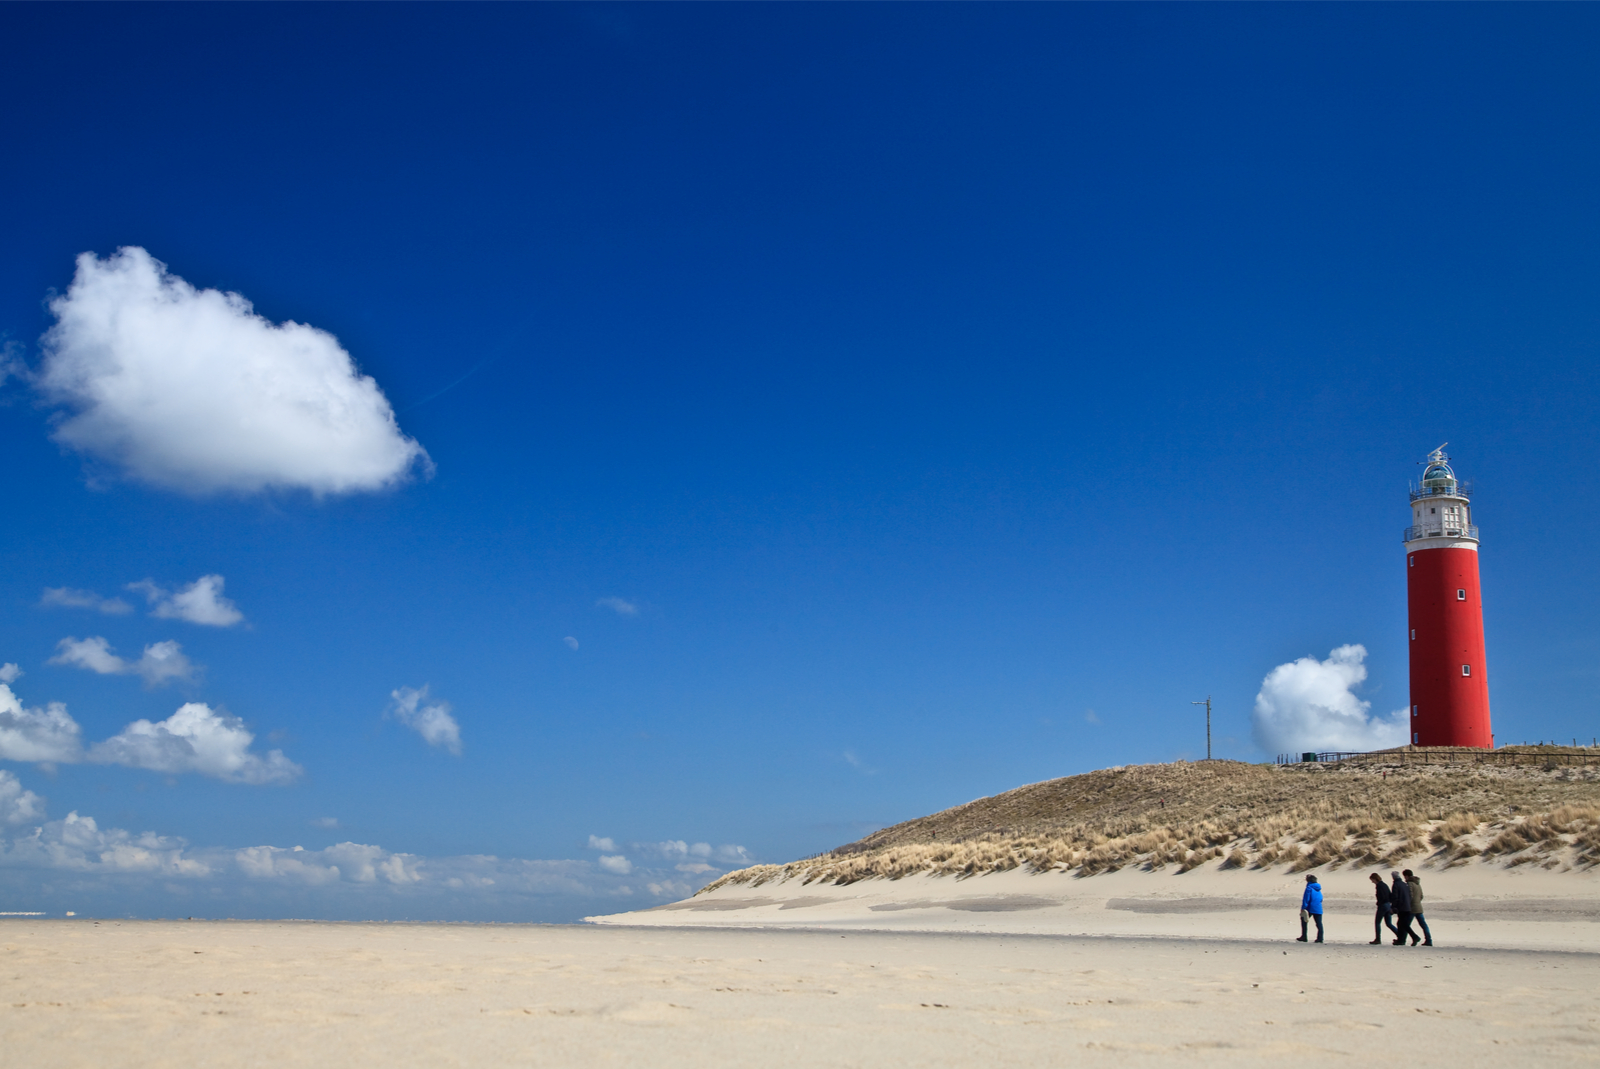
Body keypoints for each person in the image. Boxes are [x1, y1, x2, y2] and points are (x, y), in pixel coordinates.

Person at [1404, 869, 1433, 946]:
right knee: (1423, 925)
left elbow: (1410, 895)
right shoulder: (1417, 883)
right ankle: (1428, 940)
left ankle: (1412, 938)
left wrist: (1408, 904)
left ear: (1406, 876)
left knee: (1405, 924)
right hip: (1419, 907)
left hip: (1412, 908)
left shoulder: (1409, 884)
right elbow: (1421, 896)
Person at [1368, 871, 1398, 944]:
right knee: (1389, 923)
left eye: (1372, 880)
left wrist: (1379, 903)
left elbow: (1382, 896)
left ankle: (1378, 939)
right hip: (1388, 905)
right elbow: (1389, 895)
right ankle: (1400, 935)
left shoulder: (1379, 886)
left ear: (1375, 879)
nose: (1372, 882)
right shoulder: (1384, 885)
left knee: (1377, 922)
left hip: (1383, 905)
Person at [1390, 870, 1418, 946]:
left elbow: (1395, 897)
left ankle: (1413, 937)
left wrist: (1393, 907)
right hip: (1407, 907)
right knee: (1402, 924)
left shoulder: (1396, 884)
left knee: (1402, 924)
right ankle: (1401, 939)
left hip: (1402, 907)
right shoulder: (1404, 884)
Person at [1297, 873, 1324, 943]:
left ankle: (1304, 936)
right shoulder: (1318, 888)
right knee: (1319, 923)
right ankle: (1320, 938)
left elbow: (1306, 899)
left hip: (1310, 908)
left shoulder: (1309, 888)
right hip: (1318, 908)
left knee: (1304, 920)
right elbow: (1321, 898)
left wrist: (1303, 908)